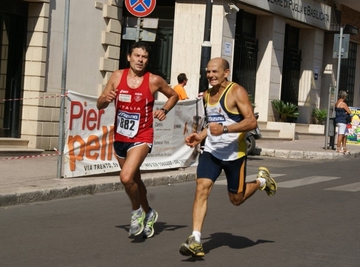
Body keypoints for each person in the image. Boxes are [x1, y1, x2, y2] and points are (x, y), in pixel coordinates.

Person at [179, 57, 277, 257]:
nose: (211, 75)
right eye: (208, 72)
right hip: (212, 153)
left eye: (215, 71)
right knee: (201, 188)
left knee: (236, 199)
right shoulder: (206, 95)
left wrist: (225, 129)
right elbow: (212, 123)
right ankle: (196, 239)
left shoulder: (236, 92)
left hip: (234, 154)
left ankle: (261, 181)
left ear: (226, 72)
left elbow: (251, 122)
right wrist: (200, 137)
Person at [97, 42, 179, 238]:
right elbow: (99, 103)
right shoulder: (117, 76)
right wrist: (106, 98)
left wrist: (164, 110)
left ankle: (137, 213)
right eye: (137, 56)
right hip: (120, 137)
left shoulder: (154, 80)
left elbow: (174, 95)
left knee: (125, 177)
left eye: (144, 57)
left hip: (142, 136)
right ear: (129, 57)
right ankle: (149, 212)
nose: (140, 60)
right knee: (134, 180)